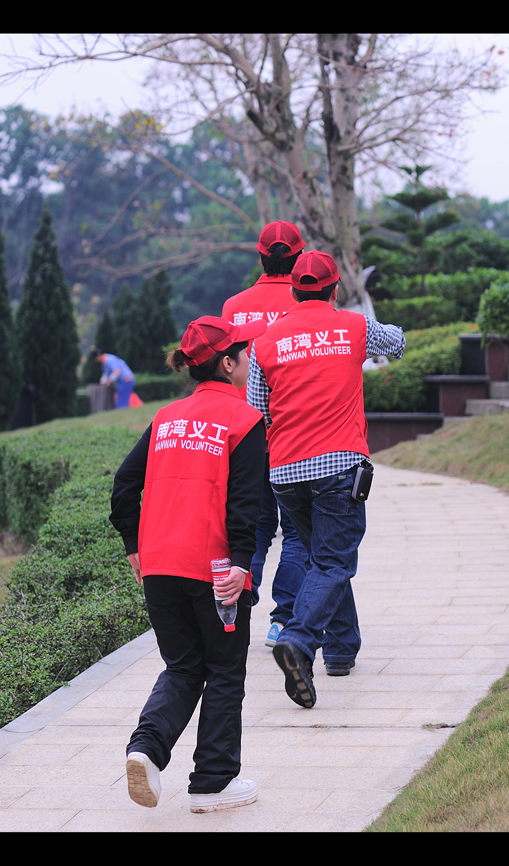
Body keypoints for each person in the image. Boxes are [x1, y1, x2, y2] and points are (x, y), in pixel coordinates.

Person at [109, 314, 268, 813]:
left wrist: (135, 546)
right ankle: (213, 784)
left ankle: (146, 750)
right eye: (242, 351)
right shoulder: (244, 421)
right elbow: (247, 505)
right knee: (223, 669)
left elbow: (122, 488)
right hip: (216, 571)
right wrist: (242, 564)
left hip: (159, 568)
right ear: (227, 363)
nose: (248, 357)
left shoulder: (165, 419)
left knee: (182, 666)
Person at [246, 250, 405, 708]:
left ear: (293, 290)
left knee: (325, 555)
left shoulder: (265, 342)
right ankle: (298, 640)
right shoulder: (353, 327)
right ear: (335, 289)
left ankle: (340, 651)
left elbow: (258, 412)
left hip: (285, 471)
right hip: (338, 466)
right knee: (334, 561)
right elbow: (395, 344)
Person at [222, 221, 309, 648]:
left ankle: (238, 602)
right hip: (294, 438)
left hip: (241, 437)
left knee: (254, 529)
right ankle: (283, 620)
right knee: (296, 533)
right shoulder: (304, 307)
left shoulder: (234, 307)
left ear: (260, 257)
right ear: (299, 258)